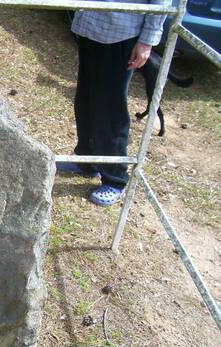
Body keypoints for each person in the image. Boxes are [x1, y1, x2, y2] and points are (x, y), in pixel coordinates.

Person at [58, 0, 168, 206]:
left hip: (122, 31)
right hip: (91, 25)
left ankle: (114, 177)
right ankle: (86, 159)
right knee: (85, 100)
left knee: (110, 109)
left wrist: (147, 41)